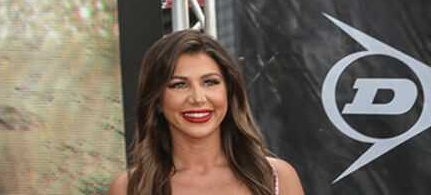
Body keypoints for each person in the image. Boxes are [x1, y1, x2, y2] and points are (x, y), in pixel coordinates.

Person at [108, 30, 305, 195]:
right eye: (179, 85)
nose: (198, 98)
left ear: (228, 91)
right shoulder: (129, 188)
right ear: (157, 98)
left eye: (210, 82)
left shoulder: (277, 177)